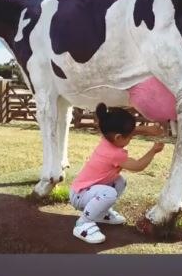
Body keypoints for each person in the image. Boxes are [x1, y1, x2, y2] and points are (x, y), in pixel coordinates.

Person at [69, 103, 165, 244]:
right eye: (130, 136)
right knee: (109, 193)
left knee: (120, 181)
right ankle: (83, 224)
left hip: (84, 191)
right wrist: (153, 151)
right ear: (119, 137)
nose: (132, 137)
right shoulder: (115, 154)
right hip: (80, 195)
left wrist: (146, 130)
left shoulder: (107, 136)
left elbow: (122, 132)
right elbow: (138, 166)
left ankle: (101, 214)